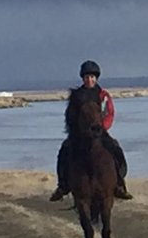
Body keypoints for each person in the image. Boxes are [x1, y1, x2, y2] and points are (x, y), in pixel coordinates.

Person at [49, 60, 133, 201]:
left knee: (116, 148)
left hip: (100, 132)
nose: (90, 80)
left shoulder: (102, 95)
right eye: (87, 77)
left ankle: (119, 184)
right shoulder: (76, 96)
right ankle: (62, 185)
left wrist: (102, 128)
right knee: (64, 150)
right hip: (80, 134)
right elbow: (70, 116)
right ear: (83, 78)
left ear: (96, 78)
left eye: (92, 77)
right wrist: (79, 131)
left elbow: (109, 113)